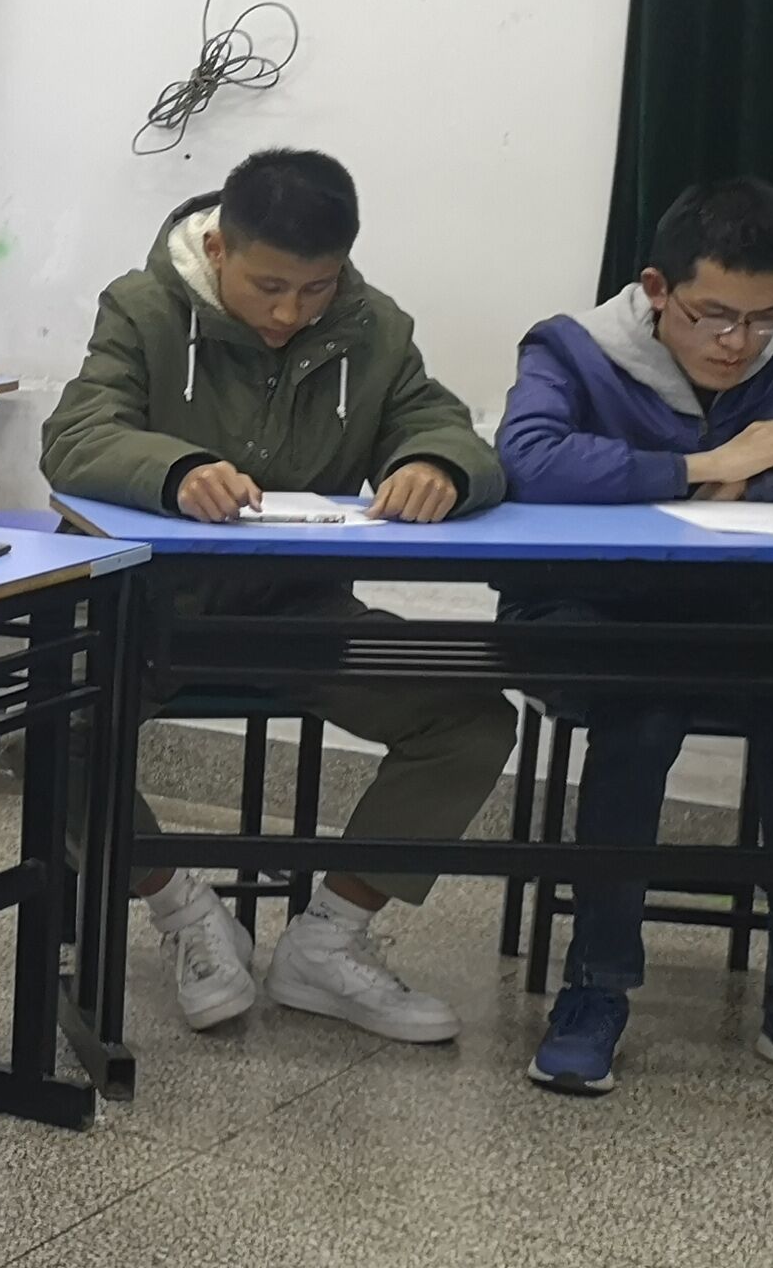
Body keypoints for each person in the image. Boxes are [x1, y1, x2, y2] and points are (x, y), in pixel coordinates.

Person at [41, 145, 516, 1044]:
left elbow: (442, 425)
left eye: (316, 288)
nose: (290, 313)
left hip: (299, 609)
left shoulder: (375, 329)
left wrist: (436, 463)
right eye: (268, 287)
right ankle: (183, 910)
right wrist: (176, 470)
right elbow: (76, 435)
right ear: (219, 248)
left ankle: (328, 942)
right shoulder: (142, 309)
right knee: (41, 716)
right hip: (146, 609)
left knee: (470, 719)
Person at [498, 176, 773, 1102]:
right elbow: (527, 458)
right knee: (643, 711)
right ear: (657, 289)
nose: (738, 343)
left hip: (734, 622)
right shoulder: (573, 350)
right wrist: (699, 466)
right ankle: (596, 987)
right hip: (588, 616)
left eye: (763, 318)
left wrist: (765, 484)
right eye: (714, 315)